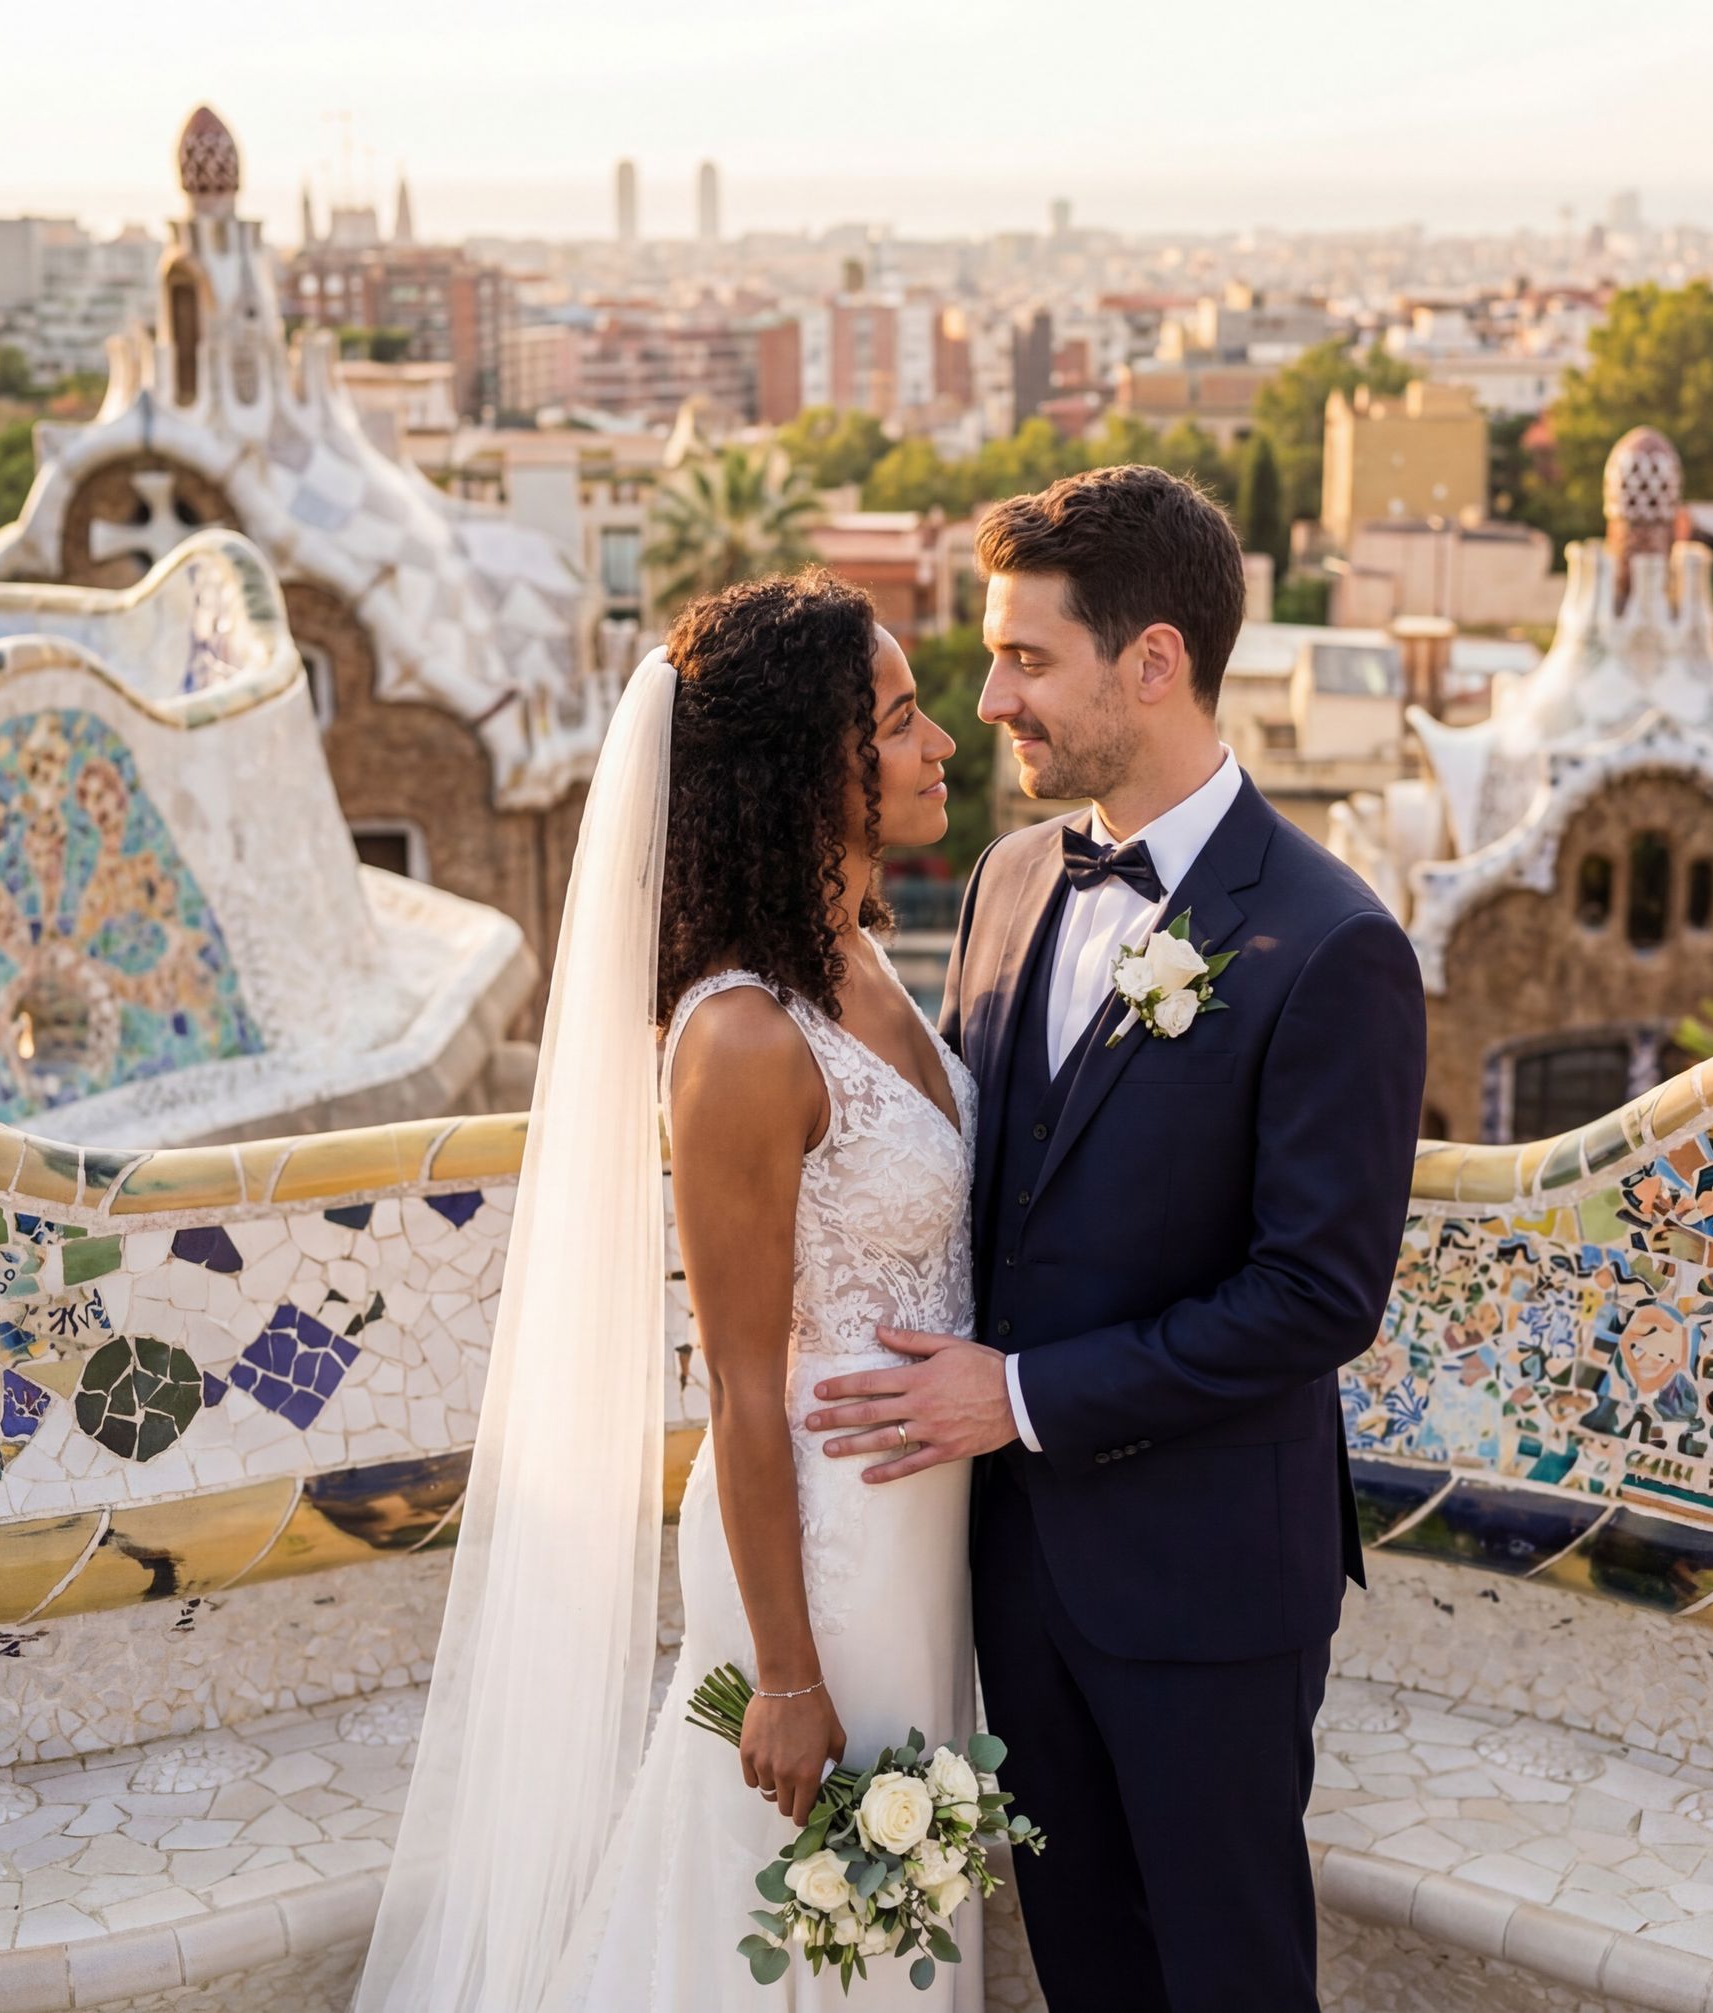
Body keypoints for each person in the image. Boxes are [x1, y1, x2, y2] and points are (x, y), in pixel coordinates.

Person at [804, 465, 1427, 2011]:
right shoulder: (1011, 879)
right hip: (1014, 1573)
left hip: (1208, 1587)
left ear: (1154, 661)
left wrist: (1016, 1397)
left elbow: (1317, 1293)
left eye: (1027, 657)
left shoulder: (1335, 943)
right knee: (1086, 1971)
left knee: (1228, 1980)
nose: (989, 699)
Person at [355, 570, 978, 2012]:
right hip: (822, 1555)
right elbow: (741, 1388)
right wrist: (789, 1674)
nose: (940, 740)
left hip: (920, 1534)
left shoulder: (857, 953)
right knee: (785, 1943)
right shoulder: (743, 1037)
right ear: (808, 771)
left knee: (895, 1946)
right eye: (898, 719)